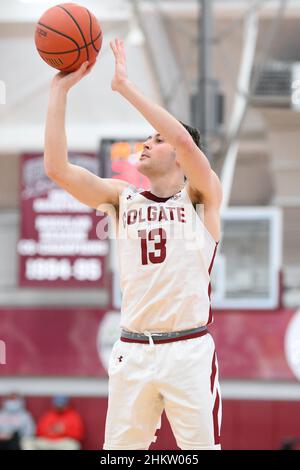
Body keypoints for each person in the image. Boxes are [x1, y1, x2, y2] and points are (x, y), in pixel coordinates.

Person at [44, 38, 222, 450]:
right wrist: (59, 91)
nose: (146, 143)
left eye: (156, 140)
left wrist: (124, 86)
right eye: (147, 138)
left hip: (188, 349)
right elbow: (56, 167)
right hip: (132, 350)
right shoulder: (121, 198)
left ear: (180, 157)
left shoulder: (201, 198)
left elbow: (183, 140)